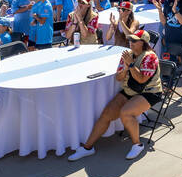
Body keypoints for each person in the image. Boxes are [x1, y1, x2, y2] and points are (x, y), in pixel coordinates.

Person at [69, 29, 162, 162]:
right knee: (106, 114)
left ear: (143, 43)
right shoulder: (128, 55)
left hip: (150, 92)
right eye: (130, 40)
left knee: (126, 113)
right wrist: (125, 68)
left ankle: (137, 144)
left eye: (135, 41)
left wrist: (130, 64)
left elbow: (141, 79)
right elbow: (119, 78)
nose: (131, 43)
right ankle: (87, 148)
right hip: (131, 91)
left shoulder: (150, 57)